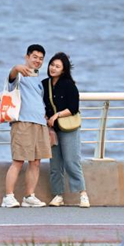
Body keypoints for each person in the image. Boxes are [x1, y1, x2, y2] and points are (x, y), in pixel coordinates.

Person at [1, 44, 51, 208]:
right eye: (35, 57)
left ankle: (29, 196)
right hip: (22, 122)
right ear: (27, 57)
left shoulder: (38, 80)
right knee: (18, 161)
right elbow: (11, 77)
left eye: (41, 58)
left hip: (40, 123)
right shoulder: (19, 75)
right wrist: (16, 68)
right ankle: (8, 197)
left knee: (36, 162)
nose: (38, 60)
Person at [42, 52, 89, 208]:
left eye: (57, 66)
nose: (53, 68)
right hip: (52, 128)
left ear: (63, 70)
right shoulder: (44, 84)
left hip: (69, 128)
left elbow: (74, 107)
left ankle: (82, 194)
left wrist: (56, 115)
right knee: (55, 164)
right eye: (52, 65)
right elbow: (40, 103)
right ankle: (58, 195)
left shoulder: (69, 85)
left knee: (71, 161)